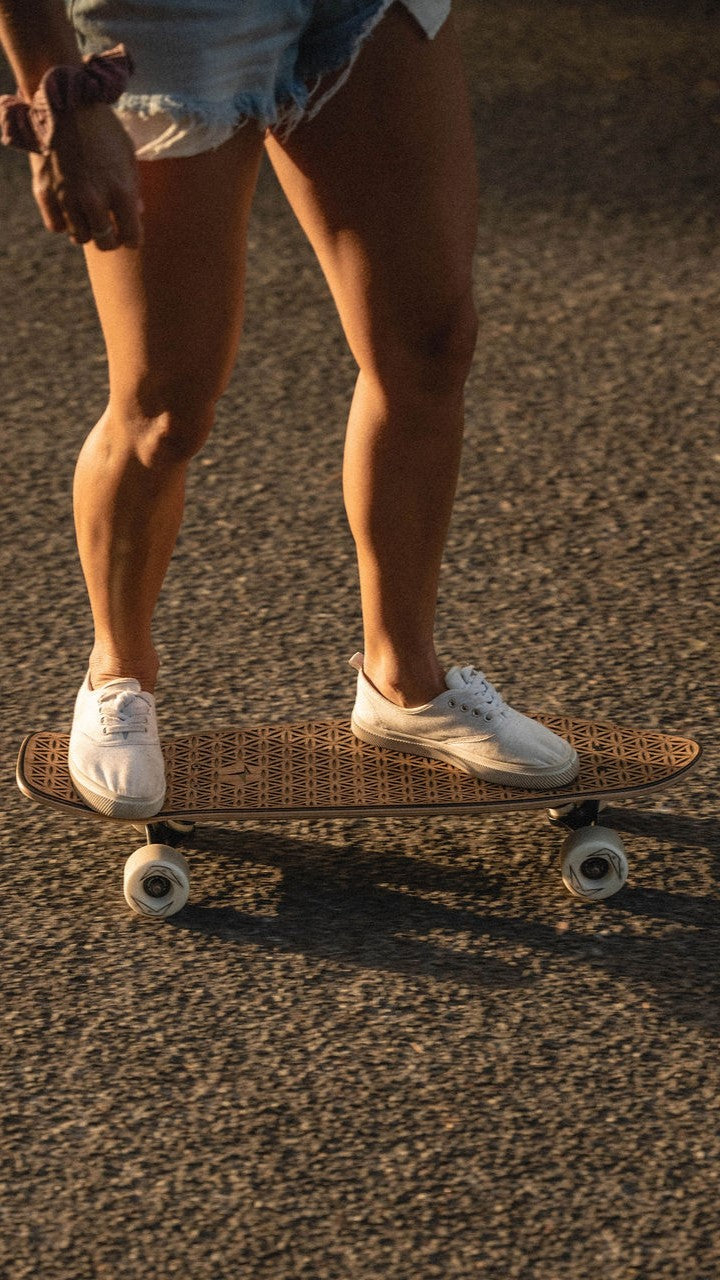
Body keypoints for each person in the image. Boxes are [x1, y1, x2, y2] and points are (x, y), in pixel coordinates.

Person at [0, 0, 579, 820]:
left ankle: (404, 681)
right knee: (167, 406)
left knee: (430, 345)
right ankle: (116, 673)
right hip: (169, 23)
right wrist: (59, 92)